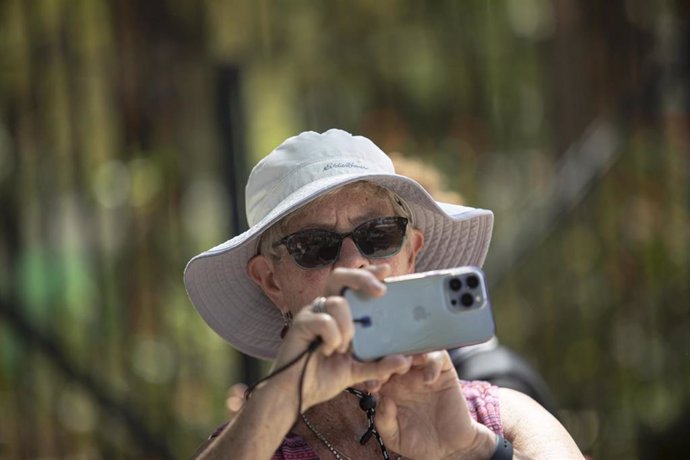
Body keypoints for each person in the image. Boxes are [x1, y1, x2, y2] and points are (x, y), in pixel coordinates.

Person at [185, 129, 583, 459]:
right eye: (314, 246)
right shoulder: (249, 447)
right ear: (272, 281)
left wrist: (473, 448)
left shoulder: (502, 419)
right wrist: (283, 396)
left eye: (379, 235)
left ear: (412, 254)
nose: (354, 262)